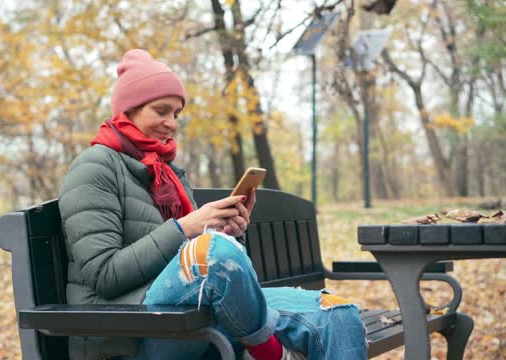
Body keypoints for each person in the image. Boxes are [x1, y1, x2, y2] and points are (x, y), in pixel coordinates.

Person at [58, 49, 367, 360]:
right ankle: (272, 355)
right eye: (161, 111)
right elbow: (103, 275)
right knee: (211, 252)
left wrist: (230, 230)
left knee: (337, 312)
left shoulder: (169, 174)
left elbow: (209, 267)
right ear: (129, 110)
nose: (171, 124)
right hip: (130, 333)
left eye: (176, 114)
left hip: (193, 313)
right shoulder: (94, 167)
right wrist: (185, 230)